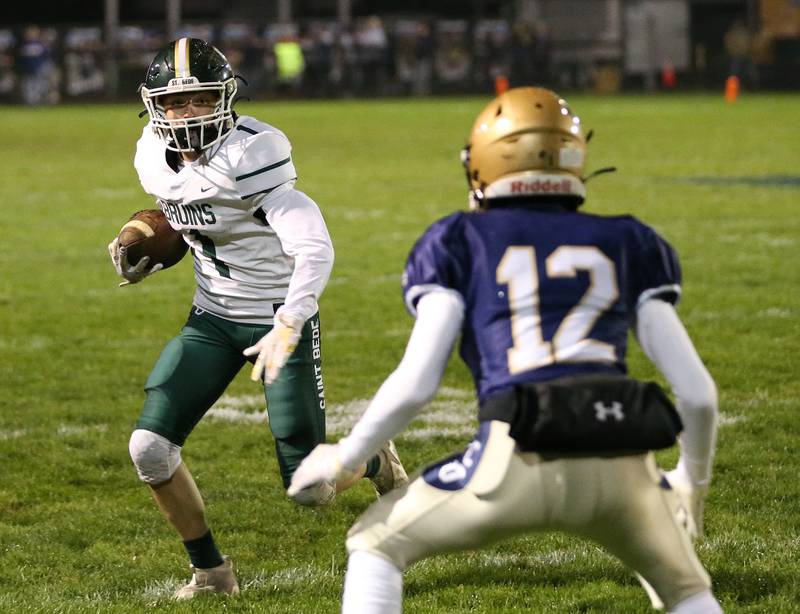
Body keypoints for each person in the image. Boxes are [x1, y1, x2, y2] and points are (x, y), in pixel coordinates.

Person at [289, 87, 723, 613]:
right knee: (687, 592)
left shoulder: (459, 238)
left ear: (485, 163)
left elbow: (418, 381)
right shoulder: (630, 239)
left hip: (512, 455)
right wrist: (690, 485)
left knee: (374, 545)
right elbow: (697, 395)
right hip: (623, 457)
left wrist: (345, 457)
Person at [107, 38, 407, 600]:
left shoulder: (253, 153)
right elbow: (183, 218)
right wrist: (138, 242)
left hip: (278, 320)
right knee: (149, 448)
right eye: (174, 103)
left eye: (198, 99)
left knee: (309, 489)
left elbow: (313, 247)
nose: (186, 113)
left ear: (224, 97)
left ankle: (370, 460)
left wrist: (291, 322)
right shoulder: (152, 152)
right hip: (213, 318)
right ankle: (212, 575)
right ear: (154, 108)